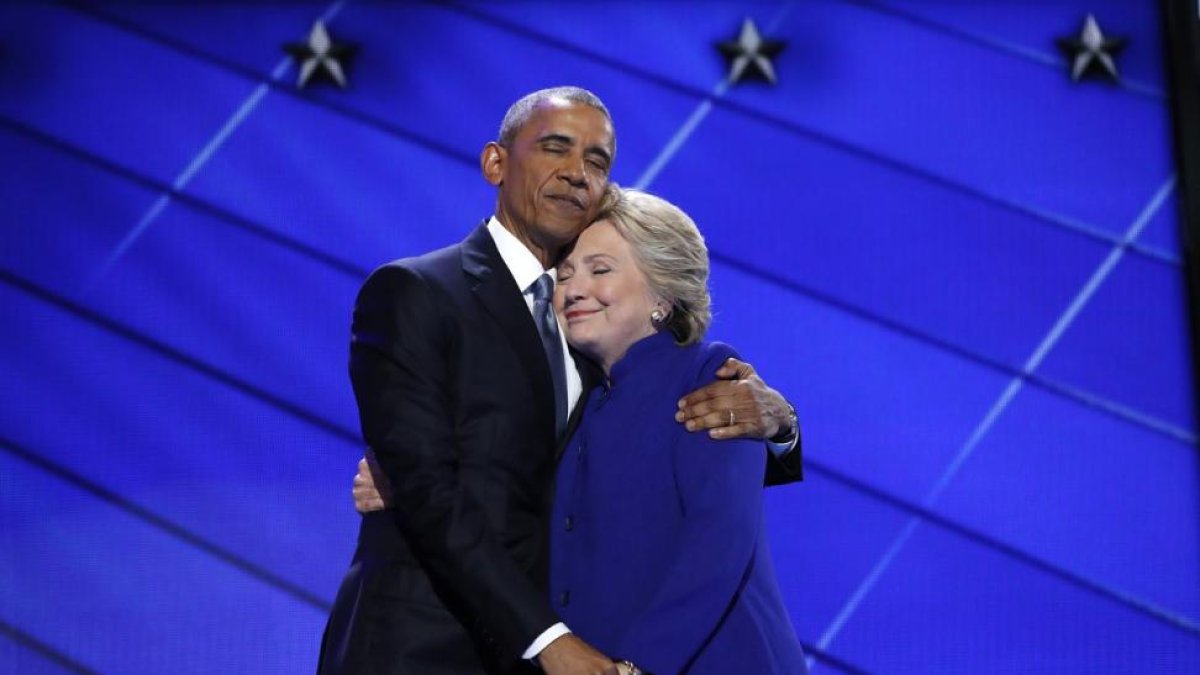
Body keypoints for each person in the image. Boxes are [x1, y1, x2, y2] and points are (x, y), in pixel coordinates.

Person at [318, 86, 802, 675]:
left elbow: (676, 464)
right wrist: (549, 641)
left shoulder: (600, 338)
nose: (577, 173)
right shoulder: (416, 293)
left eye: (596, 161)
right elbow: (428, 487)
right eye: (556, 148)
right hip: (430, 647)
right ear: (496, 162)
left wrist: (781, 423)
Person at [550, 188, 806, 674]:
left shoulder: (710, 379)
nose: (573, 289)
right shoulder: (578, 397)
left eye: (599, 270)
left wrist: (637, 666)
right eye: (564, 275)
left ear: (663, 298)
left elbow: (718, 543)